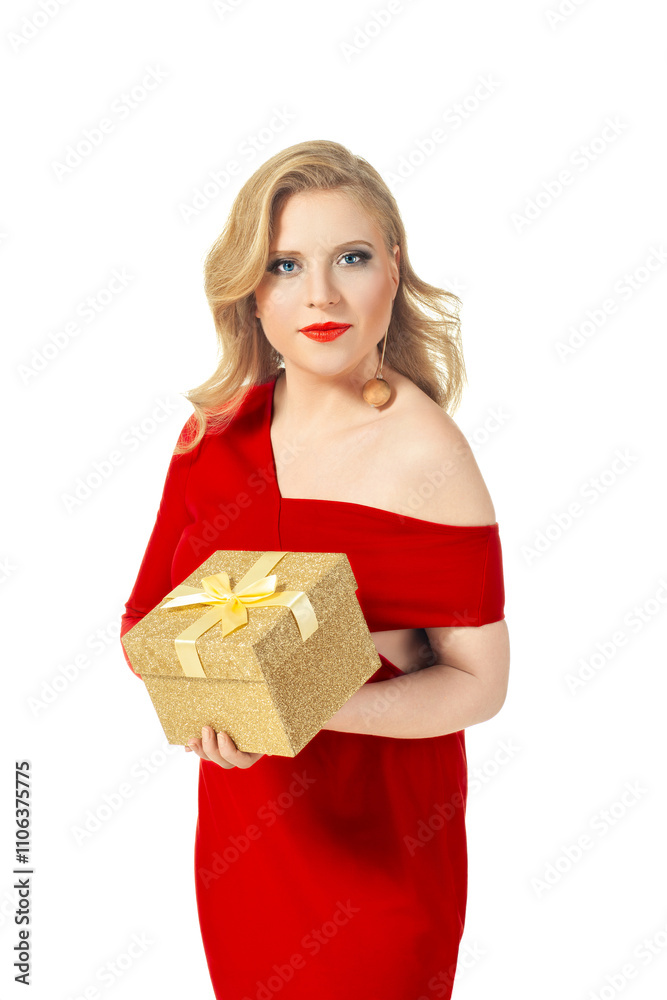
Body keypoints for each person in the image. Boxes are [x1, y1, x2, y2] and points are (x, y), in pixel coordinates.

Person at [120, 139, 510, 999]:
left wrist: (307, 700)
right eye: (286, 264)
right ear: (251, 293)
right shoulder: (211, 438)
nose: (321, 295)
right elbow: (143, 620)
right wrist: (202, 707)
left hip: (379, 849)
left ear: (394, 272)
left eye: (352, 258)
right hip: (244, 839)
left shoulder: (427, 454)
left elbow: (479, 684)